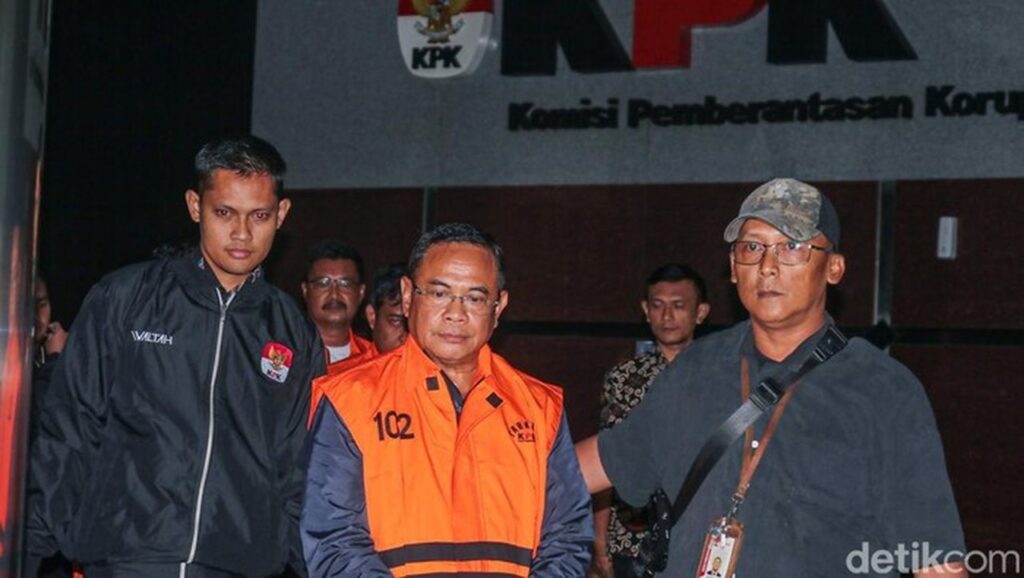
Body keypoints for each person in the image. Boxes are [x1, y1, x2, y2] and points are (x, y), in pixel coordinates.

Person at [576, 179, 966, 577]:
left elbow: (936, 562)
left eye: (792, 246)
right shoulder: (694, 371)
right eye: (752, 247)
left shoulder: (881, 390)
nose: (767, 266)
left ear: (834, 268)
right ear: (733, 268)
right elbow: (586, 467)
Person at [25, 135, 324, 577]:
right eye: (225, 213)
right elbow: (70, 430)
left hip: (239, 565)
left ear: (281, 214)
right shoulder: (125, 298)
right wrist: (29, 551)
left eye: (259, 215)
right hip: (127, 559)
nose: (242, 233)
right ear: (195, 206)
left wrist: (293, 557)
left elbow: (299, 467)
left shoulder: (292, 332)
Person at [301, 223, 593, 577]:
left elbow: (567, 538)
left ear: (498, 306)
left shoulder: (539, 407)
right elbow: (334, 540)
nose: (456, 313)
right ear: (407, 296)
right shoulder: (351, 398)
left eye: (475, 298)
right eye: (439, 294)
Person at [590, 264, 710, 578]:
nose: (667, 316)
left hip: (699, 533)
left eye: (678, 305)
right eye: (658, 305)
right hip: (631, 539)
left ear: (700, 312)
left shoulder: (718, 376)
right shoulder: (623, 377)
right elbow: (604, 458)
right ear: (646, 310)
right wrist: (600, 541)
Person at [301, 240, 373, 375]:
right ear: (305, 291)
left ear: (361, 292)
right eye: (323, 283)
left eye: (345, 283)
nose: (334, 294)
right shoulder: (285, 353)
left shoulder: (374, 358)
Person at [364, 263, 409, 355]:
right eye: (395, 321)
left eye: (413, 324)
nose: (406, 336)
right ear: (372, 316)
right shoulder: (354, 365)